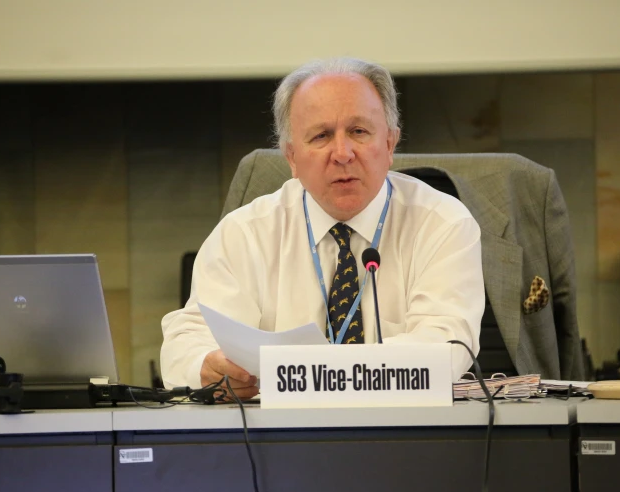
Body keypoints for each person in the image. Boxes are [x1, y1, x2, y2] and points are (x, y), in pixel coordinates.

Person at [160, 57, 485, 397]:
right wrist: (206, 365)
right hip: (278, 438)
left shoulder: (442, 223)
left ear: (389, 144)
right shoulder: (245, 233)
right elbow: (191, 335)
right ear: (291, 157)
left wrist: (330, 376)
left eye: (359, 132)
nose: (342, 153)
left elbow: (447, 342)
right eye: (321, 136)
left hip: (405, 428)